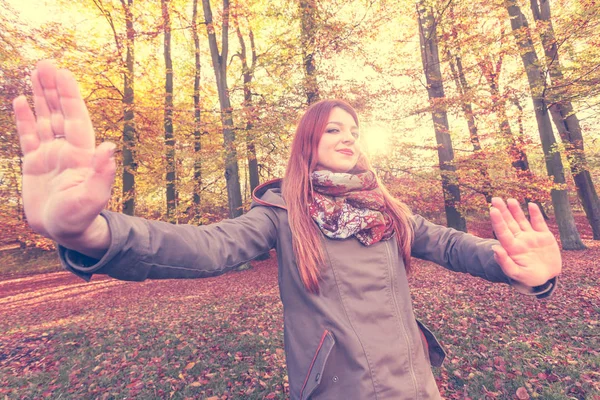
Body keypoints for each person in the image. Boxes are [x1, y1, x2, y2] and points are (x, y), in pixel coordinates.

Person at [13, 60, 561, 400]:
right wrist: (91, 234)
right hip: (339, 390)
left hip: (418, 384)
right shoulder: (283, 213)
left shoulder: (387, 208)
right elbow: (207, 248)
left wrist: (510, 263)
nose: (349, 137)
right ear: (308, 145)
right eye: (333, 130)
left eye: (354, 129)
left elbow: (449, 243)